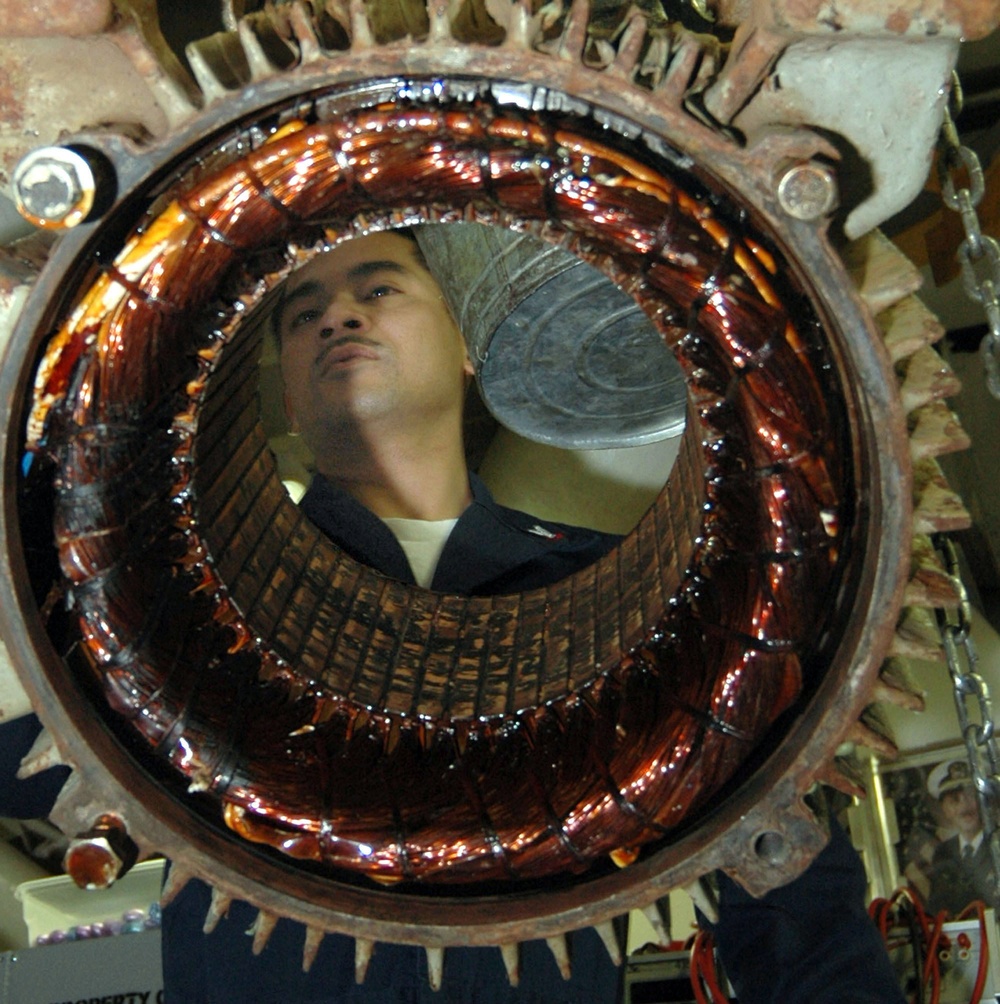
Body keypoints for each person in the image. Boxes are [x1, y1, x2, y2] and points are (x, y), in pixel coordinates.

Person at [4, 228, 906, 1003]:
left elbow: (796, 906)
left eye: (379, 287)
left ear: (468, 349)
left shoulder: (646, 614)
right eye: (302, 308)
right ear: (276, 393)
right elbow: (56, 858)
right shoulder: (171, 618)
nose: (338, 314)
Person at [926, 758, 998, 915]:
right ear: (945, 810)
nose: (965, 806)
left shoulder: (997, 844)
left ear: (985, 802)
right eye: (954, 800)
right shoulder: (943, 853)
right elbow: (937, 909)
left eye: (972, 796)